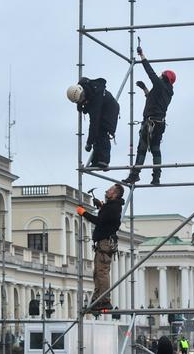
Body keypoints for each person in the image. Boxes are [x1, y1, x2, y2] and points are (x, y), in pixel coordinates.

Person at [122, 46, 175, 185]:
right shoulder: (167, 91)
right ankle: (156, 177)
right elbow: (152, 102)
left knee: (142, 149)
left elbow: (150, 72)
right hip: (159, 123)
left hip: (150, 123)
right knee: (156, 150)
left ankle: (134, 175)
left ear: (164, 77)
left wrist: (142, 55)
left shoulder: (160, 85)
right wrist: (145, 88)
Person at [76, 183, 125, 310]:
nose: (107, 191)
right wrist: (102, 207)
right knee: (98, 272)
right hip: (104, 243)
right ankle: (98, 299)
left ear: (114, 194)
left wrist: (84, 213)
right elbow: (106, 219)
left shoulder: (113, 207)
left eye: (109, 190)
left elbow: (99, 221)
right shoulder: (113, 206)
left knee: (101, 272)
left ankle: (103, 300)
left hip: (104, 243)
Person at [67, 77, 120, 168]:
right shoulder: (84, 87)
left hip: (110, 109)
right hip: (101, 107)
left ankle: (104, 160)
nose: (82, 100)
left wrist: (89, 142)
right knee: (97, 135)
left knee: (102, 132)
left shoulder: (97, 97)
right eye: (79, 100)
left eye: (82, 98)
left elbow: (94, 123)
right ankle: (96, 161)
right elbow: (82, 98)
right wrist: (80, 105)